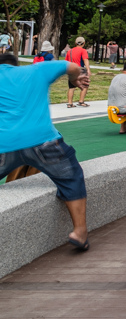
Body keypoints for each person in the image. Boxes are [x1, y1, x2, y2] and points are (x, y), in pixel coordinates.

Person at [0, 52, 91, 250]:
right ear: (16, 65)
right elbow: (73, 67)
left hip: (3, 145)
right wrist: (75, 79)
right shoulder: (37, 69)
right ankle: (80, 232)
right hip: (43, 142)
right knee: (71, 177)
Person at [65, 37, 90, 108]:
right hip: (80, 69)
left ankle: (70, 103)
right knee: (84, 86)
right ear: (84, 43)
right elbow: (85, 60)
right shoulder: (83, 51)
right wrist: (88, 69)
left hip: (71, 70)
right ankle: (81, 101)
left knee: (71, 87)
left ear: (75, 43)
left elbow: (66, 61)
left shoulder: (70, 51)